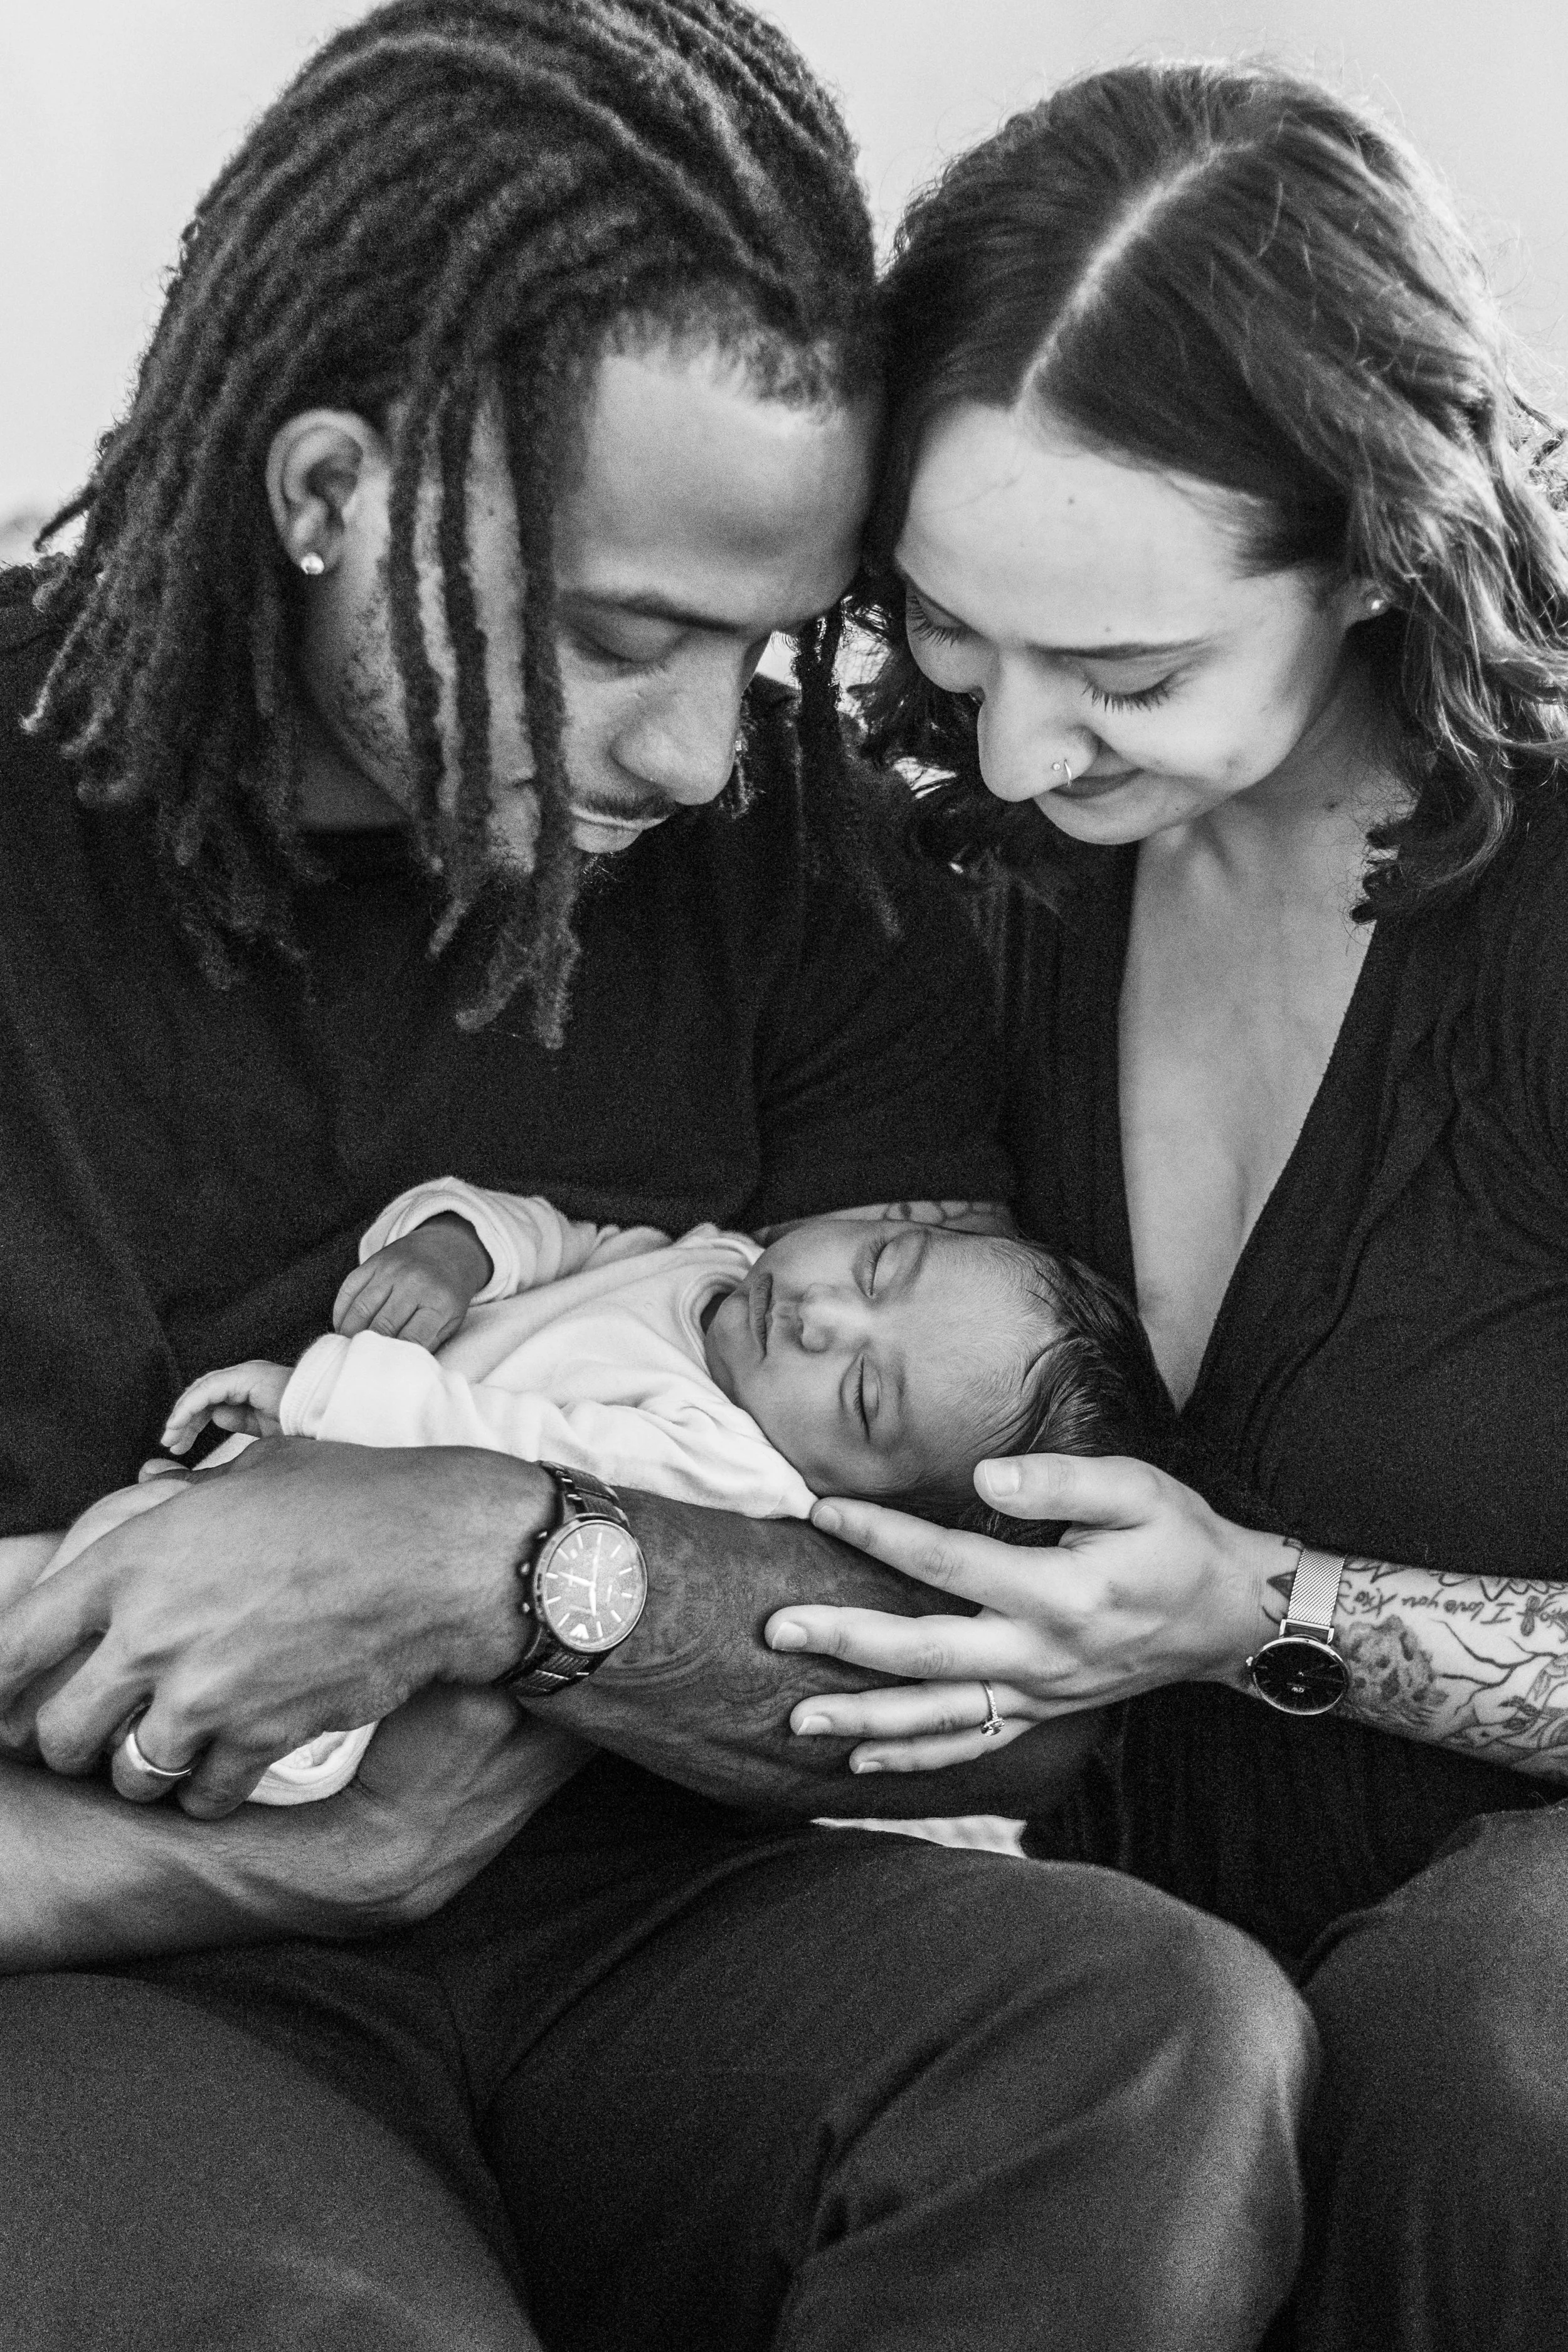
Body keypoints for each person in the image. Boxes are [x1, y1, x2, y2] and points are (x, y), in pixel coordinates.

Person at [0, 11, 1312, 2351]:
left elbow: (1020, 1688)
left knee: (1152, 2050)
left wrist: (508, 1563)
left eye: (767, 644)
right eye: (624, 637)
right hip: (104, 1973)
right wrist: (275, 1858)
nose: (707, 750)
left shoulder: (802, 866)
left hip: (650, 1915)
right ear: (332, 489)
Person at [758, 58, 1568, 2352]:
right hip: (1139, 1974)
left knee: (1489, 2047)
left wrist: (1261, 1606)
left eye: (1124, 674)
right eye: (946, 630)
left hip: (1494, 2022)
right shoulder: (968, 861)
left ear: (1379, 553)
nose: (1013, 747)